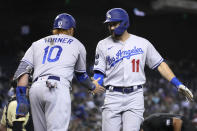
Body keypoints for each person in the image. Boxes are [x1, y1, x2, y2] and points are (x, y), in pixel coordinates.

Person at [92, 8, 193, 131]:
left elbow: (160, 64)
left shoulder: (142, 43)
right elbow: (99, 72)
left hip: (135, 96)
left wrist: (177, 84)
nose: (111, 27)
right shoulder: (102, 44)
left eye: (114, 24)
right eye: (109, 24)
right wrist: (96, 82)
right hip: (112, 95)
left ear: (124, 22)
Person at [13, 13, 105, 131]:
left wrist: (22, 101)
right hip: (56, 88)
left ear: (54, 29)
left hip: (35, 89)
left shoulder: (37, 43)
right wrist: (92, 86)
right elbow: (81, 75)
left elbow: (22, 72)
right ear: (71, 30)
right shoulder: (77, 44)